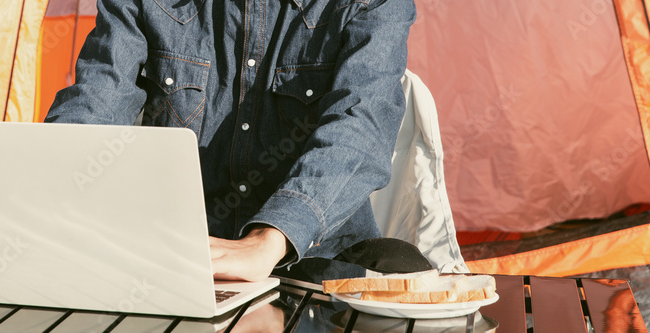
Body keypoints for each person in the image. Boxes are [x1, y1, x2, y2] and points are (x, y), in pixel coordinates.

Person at [45, 0, 417, 282]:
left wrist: (271, 238)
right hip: (181, 254)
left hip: (316, 257)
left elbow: (360, 127)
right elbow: (95, 102)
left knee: (406, 268)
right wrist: (44, 193)